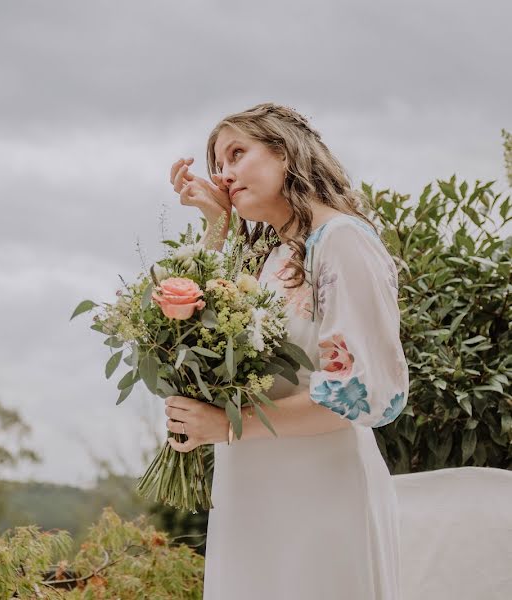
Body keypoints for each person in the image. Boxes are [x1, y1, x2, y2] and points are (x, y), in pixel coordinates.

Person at [166, 102, 409, 599]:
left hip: (319, 494)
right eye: (217, 162)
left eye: (237, 153)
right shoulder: (271, 256)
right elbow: (204, 338)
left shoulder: (340, 241)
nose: (224, 173)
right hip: (253, 490)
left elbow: (364, 393)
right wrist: (216, 224)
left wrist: (229, 424)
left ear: (285, 152)